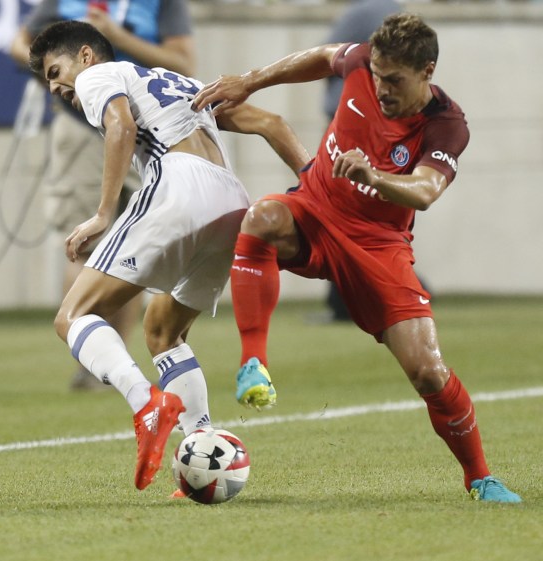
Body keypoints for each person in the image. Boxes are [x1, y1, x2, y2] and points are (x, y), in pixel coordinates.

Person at [191, 13, 521, 502]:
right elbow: (322, 57)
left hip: (378, 245)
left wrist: (375, 178)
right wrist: (250, 81)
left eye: (395, 80)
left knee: (428, 371)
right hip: (315, 209)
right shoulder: (363, 61)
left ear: (427, 71)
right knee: (260, 218)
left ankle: (480, 476)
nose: (381, 87)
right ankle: (252, 363)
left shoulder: (447, 125)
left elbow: (426, 191)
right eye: (378, 75)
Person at [28, 21, 309, 490]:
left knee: (72, 316)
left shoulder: (99, 76)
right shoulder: (180, 83)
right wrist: (314, 183)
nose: (57, 87)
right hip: (230, 204)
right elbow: (271, 124)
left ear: (84, 56)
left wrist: (102, 215)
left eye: (57, 72)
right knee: (162, 330)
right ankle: (201, 446)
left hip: (178, 182)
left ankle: (145, 404)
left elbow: (121, 126)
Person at [9, 0, 194, 391]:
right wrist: (60, 77)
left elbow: (184, 62)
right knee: (85, 244)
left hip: (146, 131)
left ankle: (115, 362)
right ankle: (93, 362)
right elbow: (20, 45)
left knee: (135, 250)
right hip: (82, 131)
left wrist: (118, 37)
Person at [320, 0, 402, 323]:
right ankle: (352, 299)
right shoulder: (394, 9)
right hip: (375, 123)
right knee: (363, 212)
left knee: (337, 210)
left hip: (350, 121)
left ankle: (353, 301)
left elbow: (326, 55)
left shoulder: (362, 12)